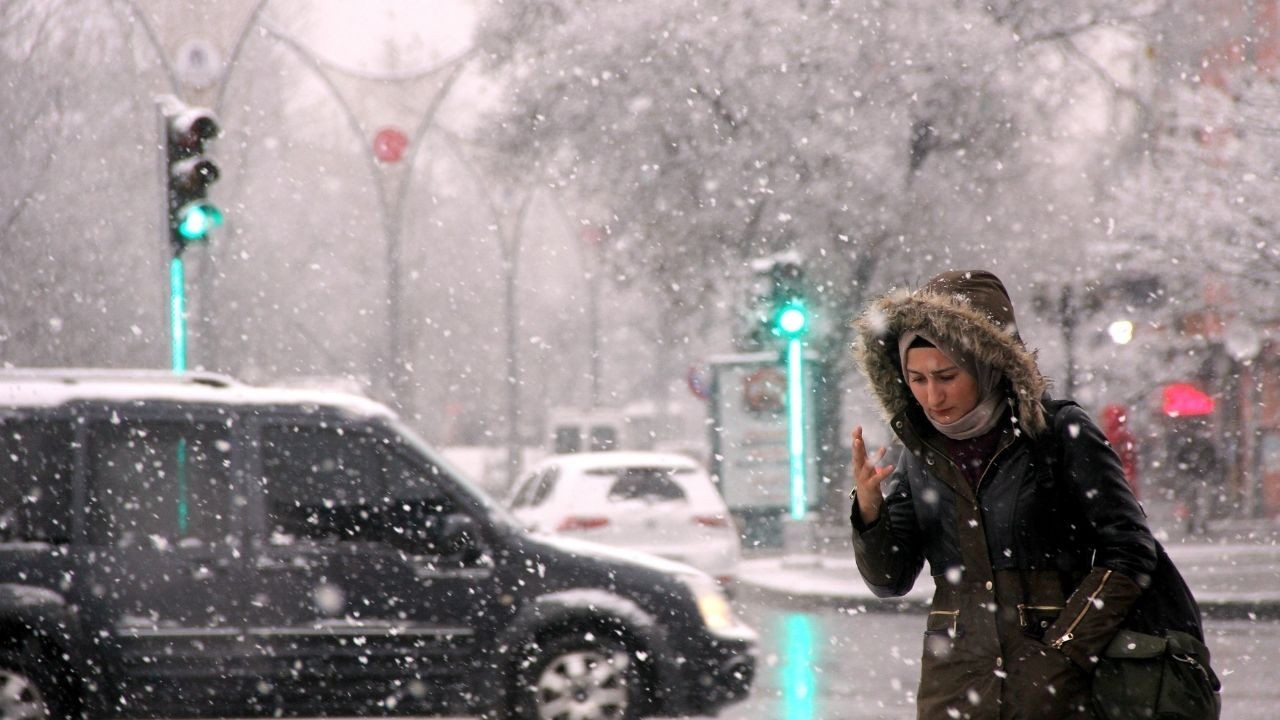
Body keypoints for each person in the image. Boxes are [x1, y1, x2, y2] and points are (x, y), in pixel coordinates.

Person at [848, 270, 1181, 720]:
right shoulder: (920, 453)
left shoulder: (1058, 434)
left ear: (988, 364)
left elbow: (1129, 551)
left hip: (1061, 687)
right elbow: (889, 580)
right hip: (955, 688)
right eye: (917, 378)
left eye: (946, 375)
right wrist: (870, 512)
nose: (932, 395)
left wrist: (1064, 649)